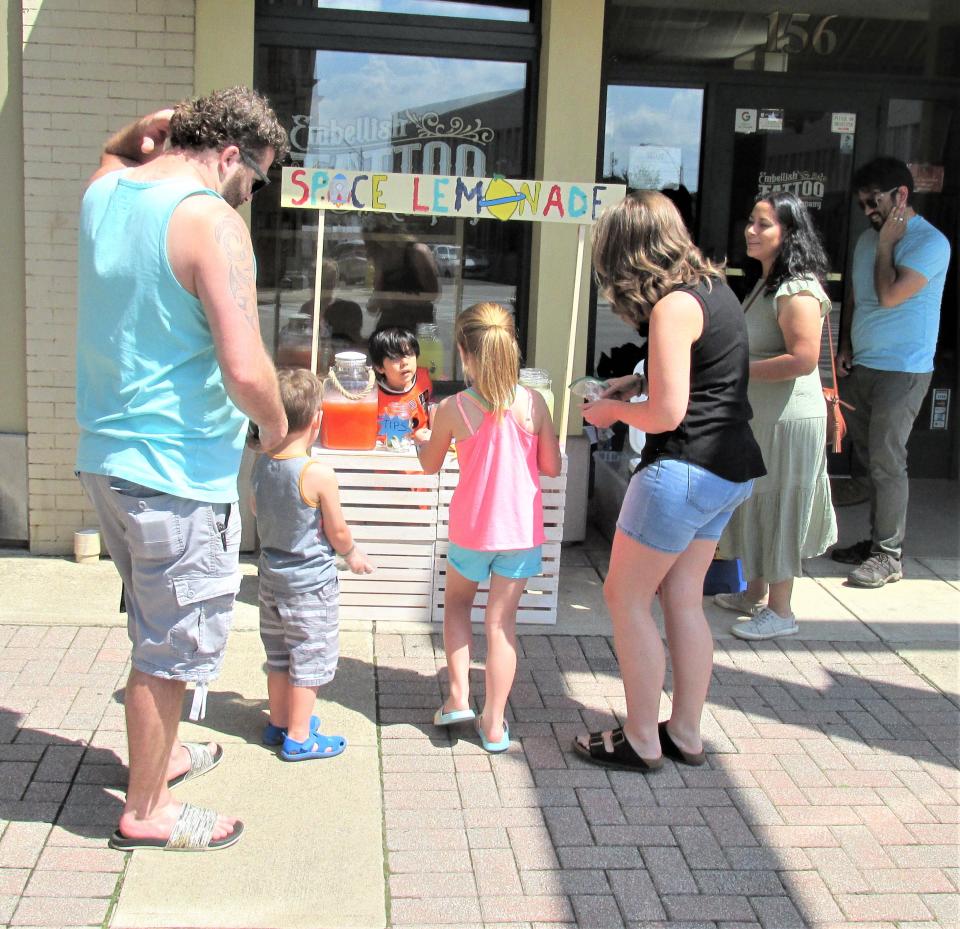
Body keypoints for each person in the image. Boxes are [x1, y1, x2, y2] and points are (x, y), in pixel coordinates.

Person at [75, 87, 289, 852]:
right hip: (176, 472)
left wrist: (143, 124)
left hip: (108, 459)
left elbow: (110, 153)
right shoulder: (211, 221)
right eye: (257, 179)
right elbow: (245, 366)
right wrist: (276, 425)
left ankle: (158, 765)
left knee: (152, 624)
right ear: (230, 157)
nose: (253, 196)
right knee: (170, 651)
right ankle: (147, 810)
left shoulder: (108, 196)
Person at [573, 191, 765, 772]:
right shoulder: (715, 288)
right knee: (682, 598)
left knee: (624, 597)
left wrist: (610, 413)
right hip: (727, 470)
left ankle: (639, 738)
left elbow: (668, 417)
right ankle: (683, 732)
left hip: (680, 471)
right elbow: (704, 379)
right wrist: (633, 388)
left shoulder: (670, 307)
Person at [415, 303, 562, 753]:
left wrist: (423, 441)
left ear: (464, 352)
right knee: (501, 625)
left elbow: (430, 466)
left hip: (471, 531)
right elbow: (552, 467)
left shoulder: (453, 407)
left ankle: (458, 695)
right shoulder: (533, 403)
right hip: (519, 535)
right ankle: (494, 725)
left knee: (457, 606)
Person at [715, 193, 837, 639]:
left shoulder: (797, 287)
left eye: (763, 224)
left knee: (779, 504)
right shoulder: (767, 283)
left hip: (788, 422)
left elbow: (802, 359)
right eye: (751, 221)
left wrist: (735, 371)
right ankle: (755, 592)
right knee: (755, 501)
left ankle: (781, 611)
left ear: (788, 233)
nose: (751, 230)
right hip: (764, 419)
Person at [831, 157, 951, 587]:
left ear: (901, 195)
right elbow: (858, 294)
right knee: (867, 460)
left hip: (904, 369)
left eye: (874, 201)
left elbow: (888, 296)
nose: (868, 212)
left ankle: (888, 555)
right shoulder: (867, 240)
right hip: (864, 363)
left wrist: (886, 245)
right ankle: (874, 541)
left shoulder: (930, 243)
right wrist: (845, 344)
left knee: (886, 461)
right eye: (862, 204)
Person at [250, 369, 374, 761]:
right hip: (309, 587)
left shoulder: (260, 464)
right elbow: (336, 531)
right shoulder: (317, 473)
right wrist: (352, 554)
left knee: (279, 656)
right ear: (317, 421)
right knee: (309, 658)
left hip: (270, 580)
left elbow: (257, 510)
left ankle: (280, 722)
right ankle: (300, 737)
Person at [364, 218, 440, 331]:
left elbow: (433, 294)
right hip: (389, 325)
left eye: (380, 233)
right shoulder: (381, 255)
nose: (379, 240)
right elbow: (378, 293)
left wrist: (396, 299)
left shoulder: (417, 252)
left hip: (417, 323)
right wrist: (375, 302)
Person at [369, 327, 433, 445]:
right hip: (386, 451)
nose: (404, 362)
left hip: (423, 449)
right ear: (379, 367)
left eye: (409, 354)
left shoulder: (424, 378)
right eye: (395, 358)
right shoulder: (372, 395)